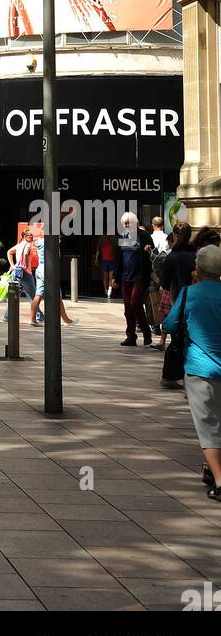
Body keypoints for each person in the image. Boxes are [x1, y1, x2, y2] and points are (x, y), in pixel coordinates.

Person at [162, 244, 221, 501]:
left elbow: (169, 324)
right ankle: (211, 469)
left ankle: (219, 480)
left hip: (200, 369)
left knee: (208, 425)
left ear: (197, 269)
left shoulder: (189, 294)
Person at [112, 211, 153, 346]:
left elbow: (151, 256)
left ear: (135, 223)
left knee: (135, 303)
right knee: (127, 308)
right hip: (125, 278)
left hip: (139, 278)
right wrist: (116, 278)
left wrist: (148, 250)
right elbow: (120, 259)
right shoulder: (124, 236)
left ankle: (146, 332)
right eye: (125, 223)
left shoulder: (144, 235)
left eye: (129, 222)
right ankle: (131, 336)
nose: (127, 225)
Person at [156, 221, 196, 351]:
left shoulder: (172, 257)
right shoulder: (196, 254)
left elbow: (165, 284)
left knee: (177, 340)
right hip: (195, 299)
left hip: (178, 300)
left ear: (174, 235)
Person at [28, 222, 73, 330]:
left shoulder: (39, 242)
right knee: (57, 295)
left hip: (40, 269)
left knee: (38, 295)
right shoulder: (48, 243)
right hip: (48, 270)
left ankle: (32, 319)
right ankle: (66, 319)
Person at [2, 227, 38, 322]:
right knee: (33, 296)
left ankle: (6, 316)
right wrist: (25, 264)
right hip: (25, 273)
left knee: (13, 296)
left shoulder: (19, 245)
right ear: (24, 236)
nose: (32, 237)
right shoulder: (28, 245)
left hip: (16, 272)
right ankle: (39, 317)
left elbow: (9, 252)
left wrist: (13, 265)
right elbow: (26, 254)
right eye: (30, 236)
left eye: (32, 236)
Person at [94, 232, 117, 298]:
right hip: (104, 260)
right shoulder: (101, 238)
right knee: (105, 276)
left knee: (111, 276)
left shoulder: (113, 238)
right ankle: (106, 290)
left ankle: (109, 290)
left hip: (111, 259)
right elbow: (98, 249)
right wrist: (96, 259)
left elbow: (116, 247)